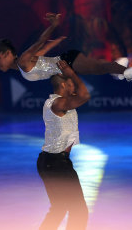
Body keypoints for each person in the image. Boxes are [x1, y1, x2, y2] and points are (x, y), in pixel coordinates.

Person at [0, 12, 132, 89]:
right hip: (65, 63)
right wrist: (57, 42)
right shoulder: (23, 65)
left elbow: (40, 42)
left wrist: (53, 26)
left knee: (99, 68)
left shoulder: (22, 60)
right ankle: (119, 67)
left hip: (67, 61)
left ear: (7, 54)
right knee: (98, 68)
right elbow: (44, 49)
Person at [37, 60, 89, 230]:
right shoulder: (58, 103)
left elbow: (80, 95)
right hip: (56, 163)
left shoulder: (60, 101)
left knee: (59, 208)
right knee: (79, 210)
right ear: (64, 85)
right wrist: (71, 74)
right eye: (71, 83)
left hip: (50, 162)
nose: (74, 86)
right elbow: (85, 96)